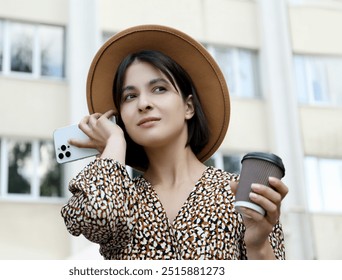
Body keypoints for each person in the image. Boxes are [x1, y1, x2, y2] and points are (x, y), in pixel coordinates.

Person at [60, 25, 289, 260]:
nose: (143, 104)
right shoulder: (121, 197)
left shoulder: (237, 193)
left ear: (188, 107)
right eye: (130, 96)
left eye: (159, 89)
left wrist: (258, 245)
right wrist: (115, 142)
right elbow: (97, 218)